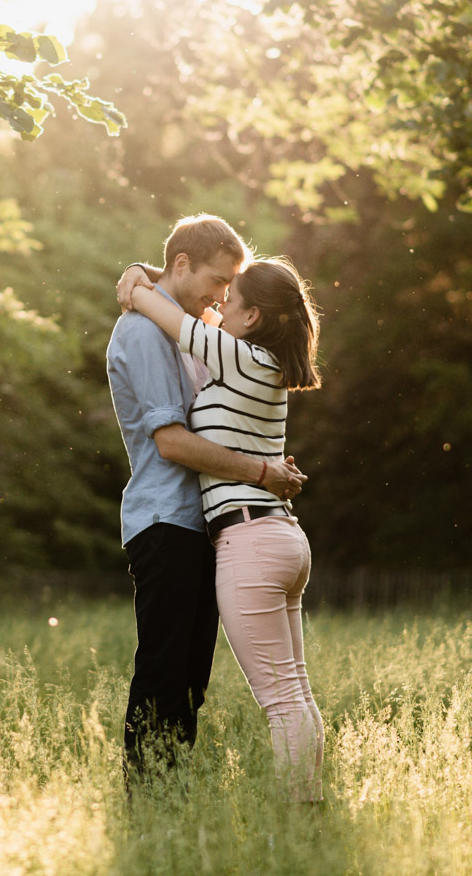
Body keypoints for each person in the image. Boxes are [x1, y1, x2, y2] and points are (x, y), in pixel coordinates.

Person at [105, 215, 306, 787]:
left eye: (230, 287)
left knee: (191, 679)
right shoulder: (144, 332)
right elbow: (170, 443)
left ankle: (171, 797)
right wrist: (262, 472)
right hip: (166, 521)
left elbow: (184, 292)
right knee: (165, 670)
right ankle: (147, 800)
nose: (222, 296)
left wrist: (142, 274)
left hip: (203, 527)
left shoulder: (187, 325)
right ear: (185, 266)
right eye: (218, 281)